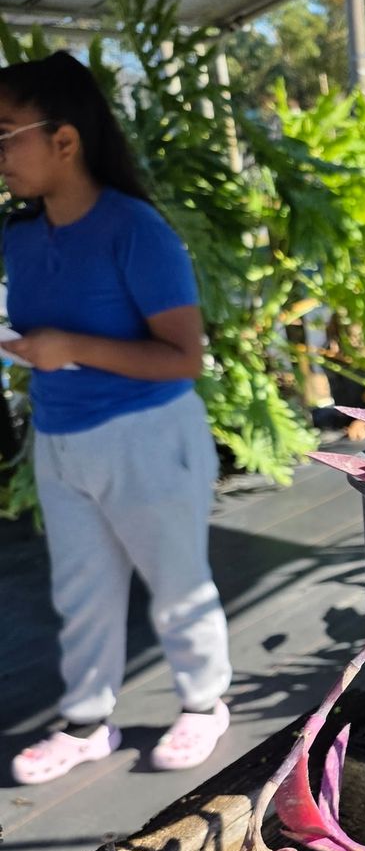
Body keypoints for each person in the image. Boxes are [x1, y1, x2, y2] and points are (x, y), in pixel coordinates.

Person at [0, 51, 232, 784]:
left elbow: (185, 357)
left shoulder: (136, 232)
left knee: (176, 583)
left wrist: (70, 346)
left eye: (5, 134)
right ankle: (86, 723)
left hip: (149, 437)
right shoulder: (20, 237)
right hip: (61, 438)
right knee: (80, 589)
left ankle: (204, 704)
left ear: (63, 140)